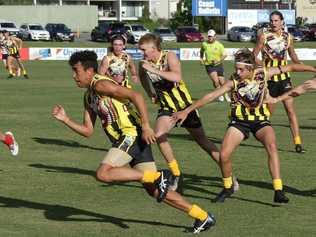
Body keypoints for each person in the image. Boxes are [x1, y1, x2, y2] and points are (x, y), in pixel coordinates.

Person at [52, 50, 215, 234]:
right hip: (133, 139)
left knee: (103, 174)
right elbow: (88, 131)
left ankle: (158, 176)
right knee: (154, 191)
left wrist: (146, 126)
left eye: (76, 70)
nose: (74, 76)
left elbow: (136, 96)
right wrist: (65, 119)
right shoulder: (89, 96)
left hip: (132, 135)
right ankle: (202, 216)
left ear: (89, 71)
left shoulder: (100, 84)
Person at [172, 48, 316, 203]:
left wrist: (313, 69)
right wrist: (187, 111)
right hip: (240, 122)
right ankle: (228, 187)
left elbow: (291, 67)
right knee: (224, 155)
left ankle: (278, 190)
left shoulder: (263, 74)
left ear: (250, 69)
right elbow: (212, 96)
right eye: (236, 68)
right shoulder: (233, 81)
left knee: (271, 145)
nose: (237, 72)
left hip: (260, 121)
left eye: (241, 69)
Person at [138, 33, 239, 192]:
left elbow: (177, 76)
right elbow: (143, 77)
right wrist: (150, 92)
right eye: (140, 50)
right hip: (167, 108)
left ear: (153, 47)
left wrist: (154, 70)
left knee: (203, 142)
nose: (142, 53)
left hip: (186, 108)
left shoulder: (169, 56)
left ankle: (230, 176)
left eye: (144, 50)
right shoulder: (144, 63)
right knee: (159, 135)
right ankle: (176, 174)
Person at [253, 10, 304, 153]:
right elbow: (253, 55)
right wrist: (262, 67)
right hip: (270, 81)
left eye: (276, 20)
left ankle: (298, 142)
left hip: (284, 79)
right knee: (268, 113)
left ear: (282, 21)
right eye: (272, 20)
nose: (273, 23)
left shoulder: (288, 37)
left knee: (290, 110)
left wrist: (300, 64)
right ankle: (265, 139)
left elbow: (292, 54)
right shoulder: (264, 36)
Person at [200, 29, 230, 102]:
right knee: (216, 82)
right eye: (209, 36)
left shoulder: (219, 45)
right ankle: (219, 95)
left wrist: (218, 60)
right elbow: (201, 51)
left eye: (211, 36)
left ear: (215, 37)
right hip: (209, 65)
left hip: (219, 65)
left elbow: (225, 55)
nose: (210, 38)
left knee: (222, 83)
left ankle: (226, 95)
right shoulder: (204, 44)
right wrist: (201, 58)